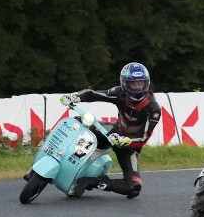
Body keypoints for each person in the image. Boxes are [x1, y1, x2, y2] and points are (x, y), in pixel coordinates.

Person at [60, 62, 161, 199]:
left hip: (130, 146)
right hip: (113, 132)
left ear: (146, 83)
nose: (138, 87)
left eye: (141, 83)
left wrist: (126, 141)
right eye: (133, 83)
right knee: (80, 121)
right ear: (125, 83)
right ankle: (58, 150)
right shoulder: (120, 93)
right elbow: (95, 94)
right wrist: (75, 96)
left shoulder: (153, 108)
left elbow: (144, 137)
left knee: (134, 187)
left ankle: (94, 181)